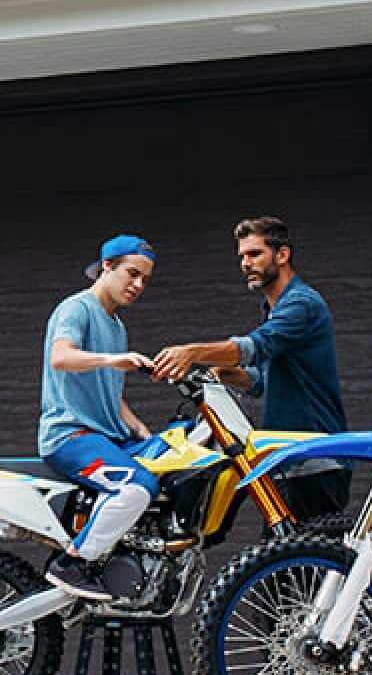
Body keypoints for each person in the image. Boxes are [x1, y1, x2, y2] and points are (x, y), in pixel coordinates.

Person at [148, 216, 349, 519]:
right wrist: (225, 374)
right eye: (242, 256)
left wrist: (193, 353)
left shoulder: (301, 304)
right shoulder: (275, 308)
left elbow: (254, 347)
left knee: (303, 557)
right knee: (285, 559)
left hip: (313, 458)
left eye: (254, 254)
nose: (245, 263)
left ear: (282, 255)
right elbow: (264, 381)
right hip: (288, 456)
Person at [36, 235, 177, 603]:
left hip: (109, 435)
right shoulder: (76, 309)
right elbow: (61, 358)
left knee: (176, 446)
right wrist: (115, 359)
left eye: (145, 279)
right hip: (71, 436)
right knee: (136, 486)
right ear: (107, 266)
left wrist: (139, 427)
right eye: (132, 274)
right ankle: (73, 562)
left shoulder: (116, 326)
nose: (138, 285)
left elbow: (108, 391)